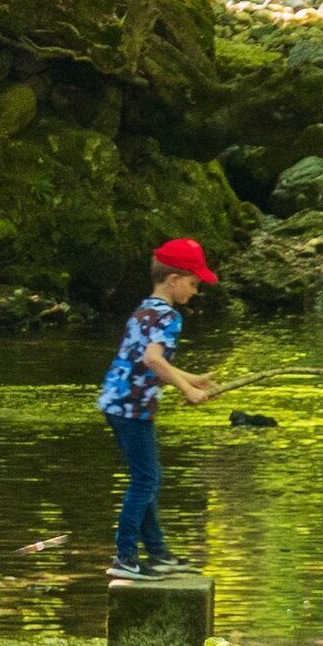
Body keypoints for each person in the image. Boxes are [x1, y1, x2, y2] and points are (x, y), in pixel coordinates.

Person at [99, 237, 222, 580]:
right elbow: (154, 360)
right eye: (194, 283)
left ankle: (158, 553)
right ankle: (125, 558)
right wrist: (187, 390)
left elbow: (143, 361)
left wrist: (190, 378)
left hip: (117, 402)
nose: (195, 291)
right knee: (146, 479)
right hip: (132, 408)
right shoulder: (169, 317)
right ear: (174, 280)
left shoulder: (145, 308)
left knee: (148, 476)